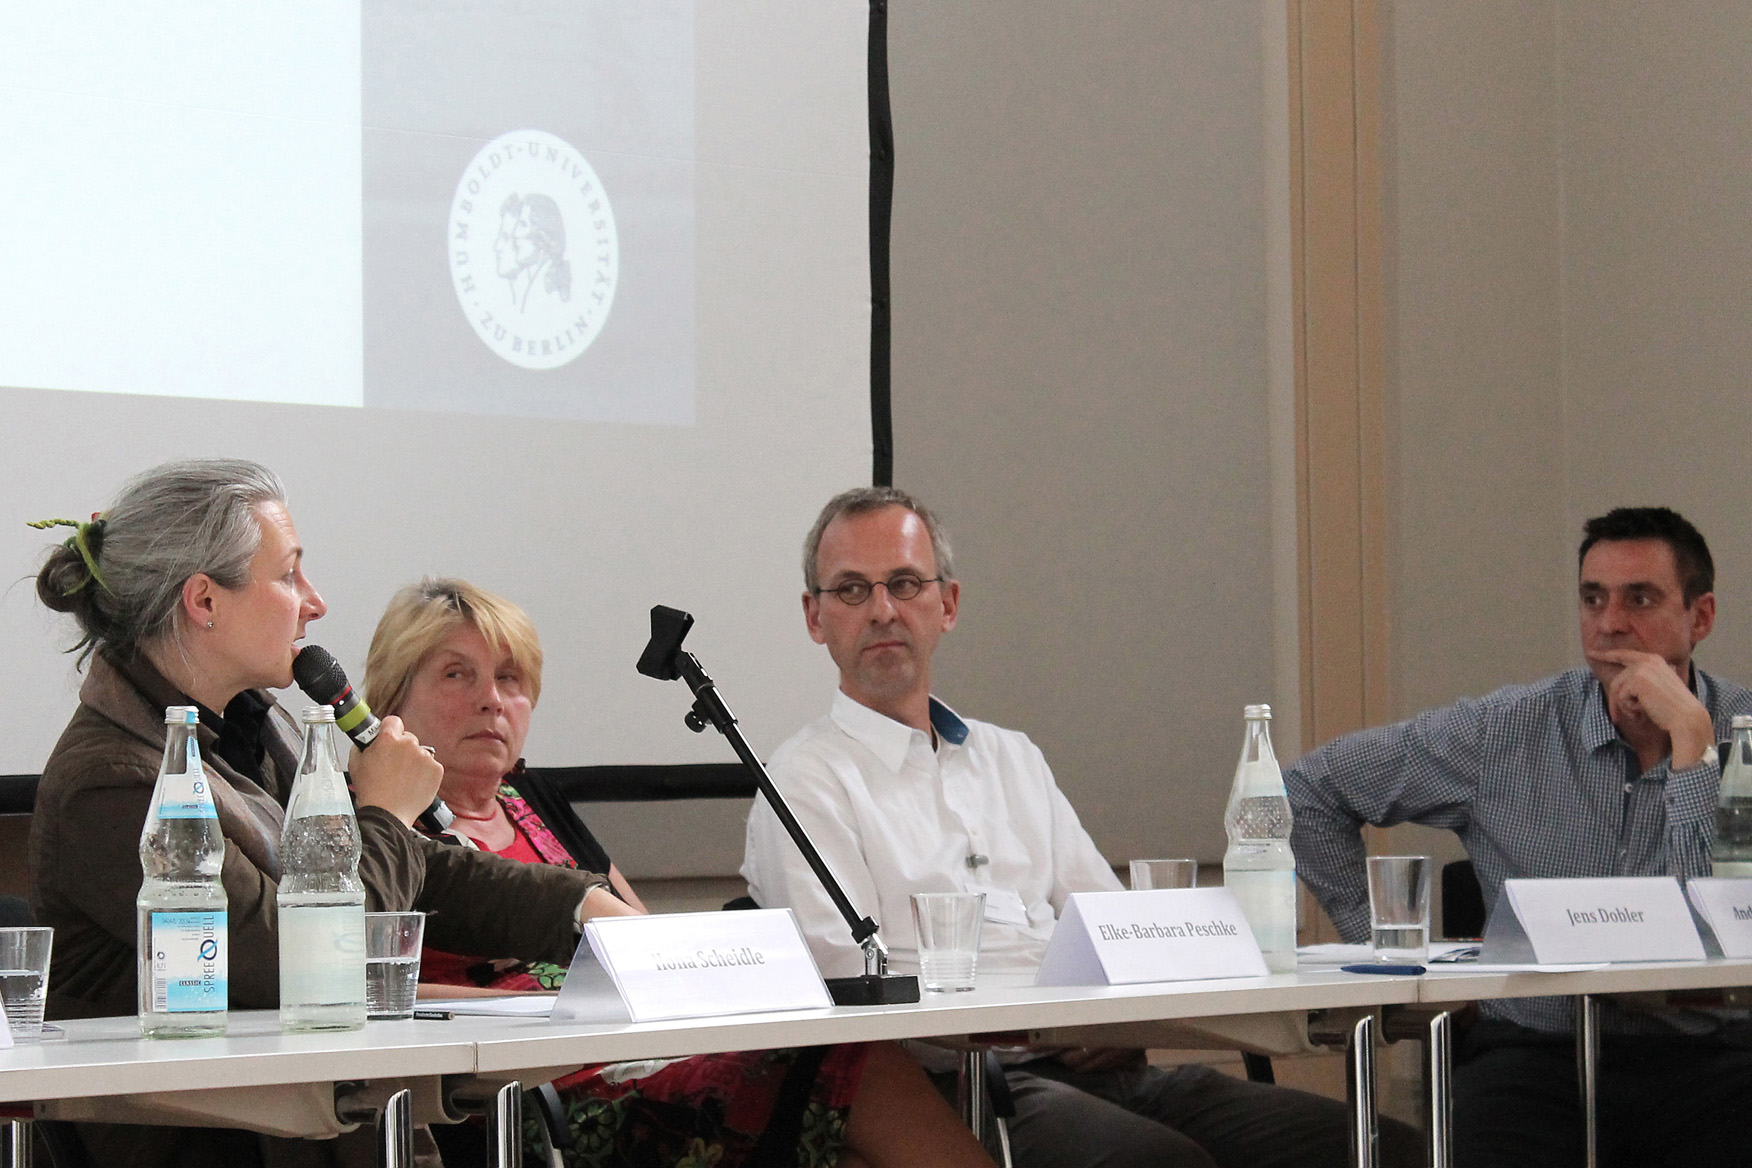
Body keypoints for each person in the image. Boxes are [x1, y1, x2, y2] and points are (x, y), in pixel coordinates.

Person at [742, 486, 1416, 1168]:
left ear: (947, 605)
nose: (883, 610)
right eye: (853, 590)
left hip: (1106, 1065)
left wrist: (1113, 1019)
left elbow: (1114, 926)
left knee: (1382, 1148)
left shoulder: (1011, 757)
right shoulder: (803, 782)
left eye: (905, 583)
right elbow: (849, 988)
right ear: (815, 617)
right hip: (958, 1087)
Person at [28, 458, 634, 1168]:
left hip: (325, 1126)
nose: (314, 601)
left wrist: (582, 909)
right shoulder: (113, 781)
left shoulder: (258, 728)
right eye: (288, 575)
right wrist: (384, 812)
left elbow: (428, 875)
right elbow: (299, 962)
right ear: (204, 601)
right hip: (222, 1143)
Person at [364, 577, 995, 1168]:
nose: (491, 700)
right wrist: (548, 1008)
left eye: (509, 678)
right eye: (457, 675)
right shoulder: (378, 827)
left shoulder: (540, 803)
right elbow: (363, 992)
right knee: (854, 1066)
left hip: (632, 1058)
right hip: (514, 1098)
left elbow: (650, 946)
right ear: (391, 699)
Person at [1285, 506, 1752, 1168]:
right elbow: (1308, 792)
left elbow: (1714, 941)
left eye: (1639, 598)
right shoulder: (1506, 731)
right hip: (1539, 1055)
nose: (1610, 622)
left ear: (1699, 618)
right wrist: (1390, 955)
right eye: (1593, 598)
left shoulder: (1744, 730)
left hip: (1716, 1056)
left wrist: (1693, 747)